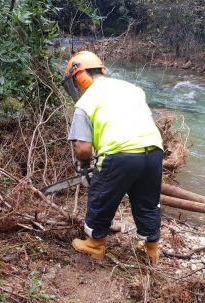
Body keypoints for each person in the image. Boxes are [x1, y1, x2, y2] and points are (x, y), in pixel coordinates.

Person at [63, 50, 164, 264]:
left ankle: (95, 245)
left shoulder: (85, 102)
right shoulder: (131, 88)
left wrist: (84, 164)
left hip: (120, 154)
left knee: (101, 198)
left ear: (80, 77)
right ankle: (151, 247)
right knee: (147, 202)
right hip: (154, 150)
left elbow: (82, 149)